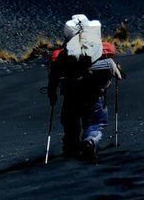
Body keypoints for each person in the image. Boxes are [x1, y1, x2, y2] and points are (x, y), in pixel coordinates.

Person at [48, 14, 123, 161]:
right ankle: (90, 141)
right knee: (95, 124)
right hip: (94, 95)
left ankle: (70, 149)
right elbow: (114, 72)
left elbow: (53, 78)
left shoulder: (63, 57)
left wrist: (52, 95)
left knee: (71, 125)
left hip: (70, 96)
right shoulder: (100, 52)